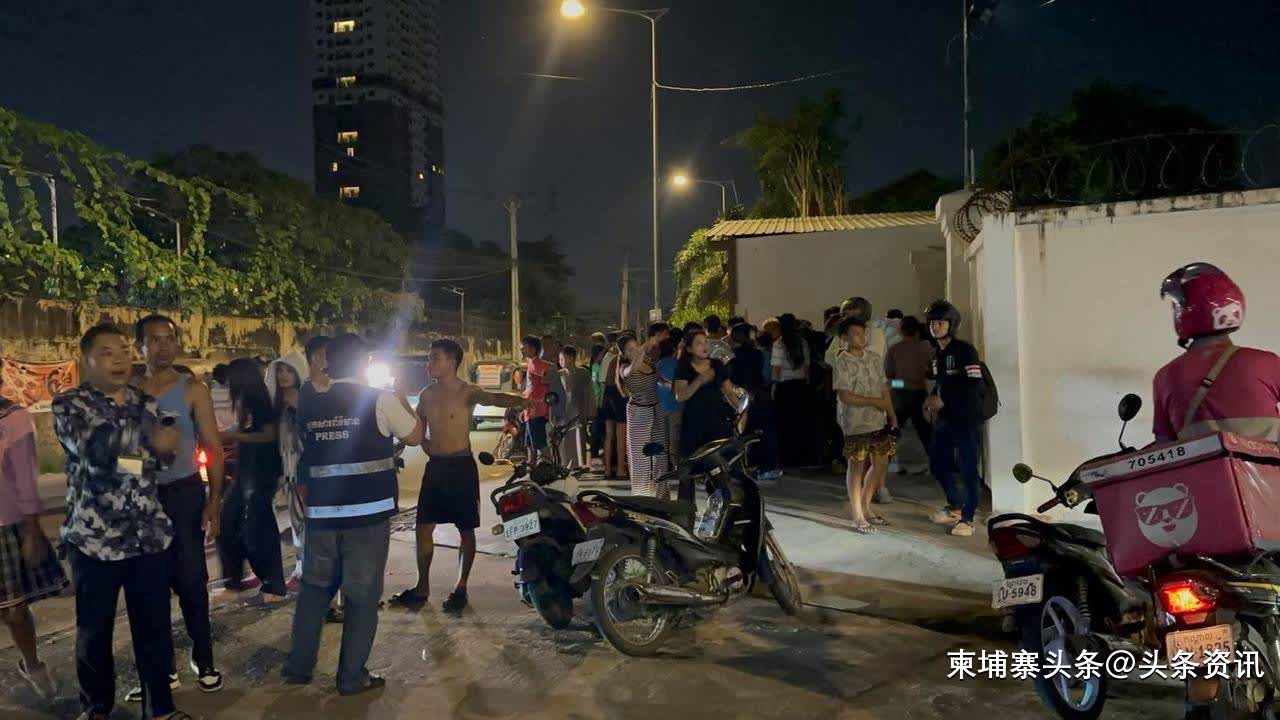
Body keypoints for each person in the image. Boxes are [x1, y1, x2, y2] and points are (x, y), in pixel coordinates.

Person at [53, 323, 192, 720]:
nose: (119, 359)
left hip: (148, 536)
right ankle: (96, 709)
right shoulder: (70, 404)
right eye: (107, 352)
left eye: (123, 351)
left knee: (154, 632)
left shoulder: (143, 402)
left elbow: (162, 461)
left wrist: (147, 454)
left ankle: (160, 710)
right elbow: (95, 451)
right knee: (94, 633)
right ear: (86, 360)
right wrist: (147, 446)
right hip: (94, 540)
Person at [284, 333, 424, 696]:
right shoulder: (379, 399)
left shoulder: (309, 400)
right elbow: (414, 436)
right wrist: (401, 396)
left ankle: (299, 667)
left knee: (315, 590)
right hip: (367, 516)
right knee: (361, 598)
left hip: (321, 514)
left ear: (329, 361)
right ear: (365, 363)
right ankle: (350, 677)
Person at [389, 339, 524, 613]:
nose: (428, 364)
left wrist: (524, 401)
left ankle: (461, 587)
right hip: (436, 467)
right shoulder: (427, 395)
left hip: (461, 467)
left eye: (434, 358)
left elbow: (495, 398)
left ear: (451, 362)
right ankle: (421, 587)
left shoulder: (467, 392)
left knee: (465, 528)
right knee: (423, 527)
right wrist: (401, 400)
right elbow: (415, 428)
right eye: (429, 358)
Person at [133, 315, 227, 700]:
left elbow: (213, 447)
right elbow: (118, 453)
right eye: (155, 340)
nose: (164, 347)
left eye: (169, 339)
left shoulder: (193, 390)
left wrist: (214, 501)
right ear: (139, 346)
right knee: (149, 586)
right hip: (142, 498)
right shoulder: (128, 392)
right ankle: (162, 668)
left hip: (185, 495)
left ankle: (204, 659)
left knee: (191, 582)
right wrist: (139, 467)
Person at [1153, 263, 1280, 442]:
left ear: (1183, 313)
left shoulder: (1165, 377)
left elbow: (1164, 445)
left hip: (1200, 462)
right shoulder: (1267, 363)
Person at [0, 379, 67, 700]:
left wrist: (32, 529)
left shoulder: (14, 418)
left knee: (14, 611)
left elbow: (26, 479)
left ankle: (32, 664)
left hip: (6, 524)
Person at [217, 358, 287, 600]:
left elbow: (268, 435)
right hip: (247, 469)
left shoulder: (258, 400)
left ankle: (272, 583)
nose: (228, 383)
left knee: (257, 528)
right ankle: (234, 581)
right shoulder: (244, 400)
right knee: (228, 522)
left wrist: (234, 436)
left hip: (260, 470)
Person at [922, 300, 985, 537]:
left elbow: (974, 384)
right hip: (944, 420)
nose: (935, 327)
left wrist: (945, 400)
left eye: (940, 322)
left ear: (952, 324)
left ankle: (968, 519)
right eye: (932, 323)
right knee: (937, 463)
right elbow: (940, 383)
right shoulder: (936, 354)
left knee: (968, 469)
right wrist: (930, 400)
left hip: (967, 418)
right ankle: (955, 506)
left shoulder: (965, 351)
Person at [833, 316, 898, 533]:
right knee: (857, 466)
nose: (861, 337)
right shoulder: (842, 361)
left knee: (880, 463)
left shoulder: (874, 358)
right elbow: (844, 396)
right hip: (856, 422)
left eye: (863, 333)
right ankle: (858, 515)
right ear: (845, 338)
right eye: (856, 334)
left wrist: (891, 414)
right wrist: (874, 402)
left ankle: (866, 506)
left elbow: (884, 388)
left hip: (878, 420)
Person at [674, 329, 738, 502]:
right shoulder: (684, 367)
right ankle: (684, 511)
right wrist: (700, 380)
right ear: (689, 349)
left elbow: (729, 391)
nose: (704, 346)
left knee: (718, 471)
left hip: (717, 422)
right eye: (699, 343)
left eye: (706, 342)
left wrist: (741, 409)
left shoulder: (717, 365)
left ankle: (720, 508)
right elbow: (680, 395)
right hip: (693, 424)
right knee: (687, 471)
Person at [266, 351, 309, 590]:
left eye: (288, 370)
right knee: (297, 521)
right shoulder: (277, 403)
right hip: (289, 470)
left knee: (307, 521)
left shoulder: (305, 400)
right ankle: (302, 568)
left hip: (305, 468)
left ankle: (308, 570)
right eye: (280, 371)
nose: (283, 375)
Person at [618, 334, 670, 497]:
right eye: (630, 350)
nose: (635, 351)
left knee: (661, 455)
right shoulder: (625, 368)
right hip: (639, 412)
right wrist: (647, 345)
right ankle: (642, 498)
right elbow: (634, 366)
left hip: (656, 409)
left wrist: (669, 385)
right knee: (641, 459)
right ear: (624, 354)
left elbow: (658, 378)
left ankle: (662, 496)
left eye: (636, 346)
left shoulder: (647, 361)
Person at [728, 323, 781, 481]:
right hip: (759, 396)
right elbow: (765, 376)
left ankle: (740, 467)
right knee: (765, 433)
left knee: (740, 433)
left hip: (739, 398)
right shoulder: (759, 354)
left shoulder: (731, 356)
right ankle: (767, 466)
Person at [885, 316, 934, 471]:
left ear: (901, 330)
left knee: (892, 431)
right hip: (919, 392)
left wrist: (900, 383)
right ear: (918, 330)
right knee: (926, 432)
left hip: (899, 394)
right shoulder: (926, 348)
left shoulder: (894, 349)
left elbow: (889, 375)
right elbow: (931, 372)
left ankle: (881, 464)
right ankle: (938, 464)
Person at [772, 314, 815, 467]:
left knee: (785, 424)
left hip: (785, 387)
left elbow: (776, 369)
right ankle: (801, 456)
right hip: (801, 386)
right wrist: (808, 384)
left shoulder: (779, 343)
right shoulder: (802, 342)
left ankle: (787, 458)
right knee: (800, 423)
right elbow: (807, 367)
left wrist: (774, 385)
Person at [559, 345, 595, 469]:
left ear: (571, 358)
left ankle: (580, 464)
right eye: (560, 359)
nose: (561, 361)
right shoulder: (559, 375)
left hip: (579, 410)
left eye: (563, 358)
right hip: (564, 412)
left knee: (579, 437)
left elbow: (589, 393)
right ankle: (565, 463)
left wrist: (590, 412)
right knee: (564, 439)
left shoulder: (583, 373)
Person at [599, 332, 629, 478]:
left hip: (607, 394)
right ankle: (620, 469)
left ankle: (607, 469)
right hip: (618, 394)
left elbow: (603, 381)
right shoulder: (621, 358)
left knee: (609, 434)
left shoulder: (608, 357)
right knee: (621, 434)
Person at [521, 336, 553, 462]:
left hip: (536, 411)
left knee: (540, 444)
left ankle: (549, 466)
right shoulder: (531, 363)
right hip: (530, 411)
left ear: (533, 349)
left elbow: (547, 374)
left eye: (524, 347)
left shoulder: (536, 363)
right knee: (530, 444)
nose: (522, 350)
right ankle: (532, 467)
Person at [654, 336, 682, 461]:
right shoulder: (678, 365)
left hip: (660, 406)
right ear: (674, 350)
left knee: (662, 438)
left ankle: (663, 465)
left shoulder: (657, 365)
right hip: (676, 406)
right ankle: (675, 464)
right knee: (674, 439)